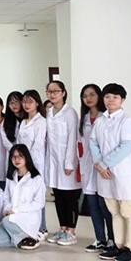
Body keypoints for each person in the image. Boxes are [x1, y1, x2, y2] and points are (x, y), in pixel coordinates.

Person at [90, 83, 131, 261]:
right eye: (107, 96)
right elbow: (93, 142)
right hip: (104, 173)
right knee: (114, 211)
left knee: (128, 211)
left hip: (122, 173)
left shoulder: (127, 121)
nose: (110, 100)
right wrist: (99, 164)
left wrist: (104, 164)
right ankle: (119, 246)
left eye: (115, 97)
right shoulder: (100, 120)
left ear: (122, 100)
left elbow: (127, 146)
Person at [78, 83, 114, 252]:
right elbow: (81, 145)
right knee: (93, 206)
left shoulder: (105, 117)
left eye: (92, 94)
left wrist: (104, 164)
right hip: (87, 166)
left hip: (103, 167)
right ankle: (100, 239)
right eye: (85, 96)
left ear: (99, 96)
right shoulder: (84, 119)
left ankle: (112, 239)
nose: (88, 98)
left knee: (105, 206)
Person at [45, 80, 82, 246]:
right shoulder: (49, 112)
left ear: (63, 93)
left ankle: (71, 231)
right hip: (53, 162)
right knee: (58, 196)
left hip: (67, 161)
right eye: (49, 91)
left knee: (70, 197)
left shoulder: (70, 113)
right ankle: (62, 228)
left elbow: (73, 138)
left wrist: (69, 163)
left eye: (56, 91)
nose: (52, 94)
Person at [0, 144, 47, 250]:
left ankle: (31, 238)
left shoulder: (36, 178)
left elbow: (39, 203)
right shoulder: (11, 177)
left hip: (28, 216)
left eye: (20, 156)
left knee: (7, 221)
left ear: (26, 157)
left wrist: (16, 210)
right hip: (12, 215)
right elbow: (6, 197)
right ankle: (24, 240)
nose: (16, 160)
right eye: (14, 157)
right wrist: (7, 209)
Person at [16, 89, 47, 236]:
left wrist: (27, 163)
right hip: (22, 164)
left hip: (35, 163)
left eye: (30, 101)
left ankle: (42, 227)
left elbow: (38, 144)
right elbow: (19, 143)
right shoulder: (23, 122)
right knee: (24, 195)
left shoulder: (41, 121)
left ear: (37, 103)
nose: (26, 104)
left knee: (37, 195)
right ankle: (27, 226)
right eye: (24, 101)